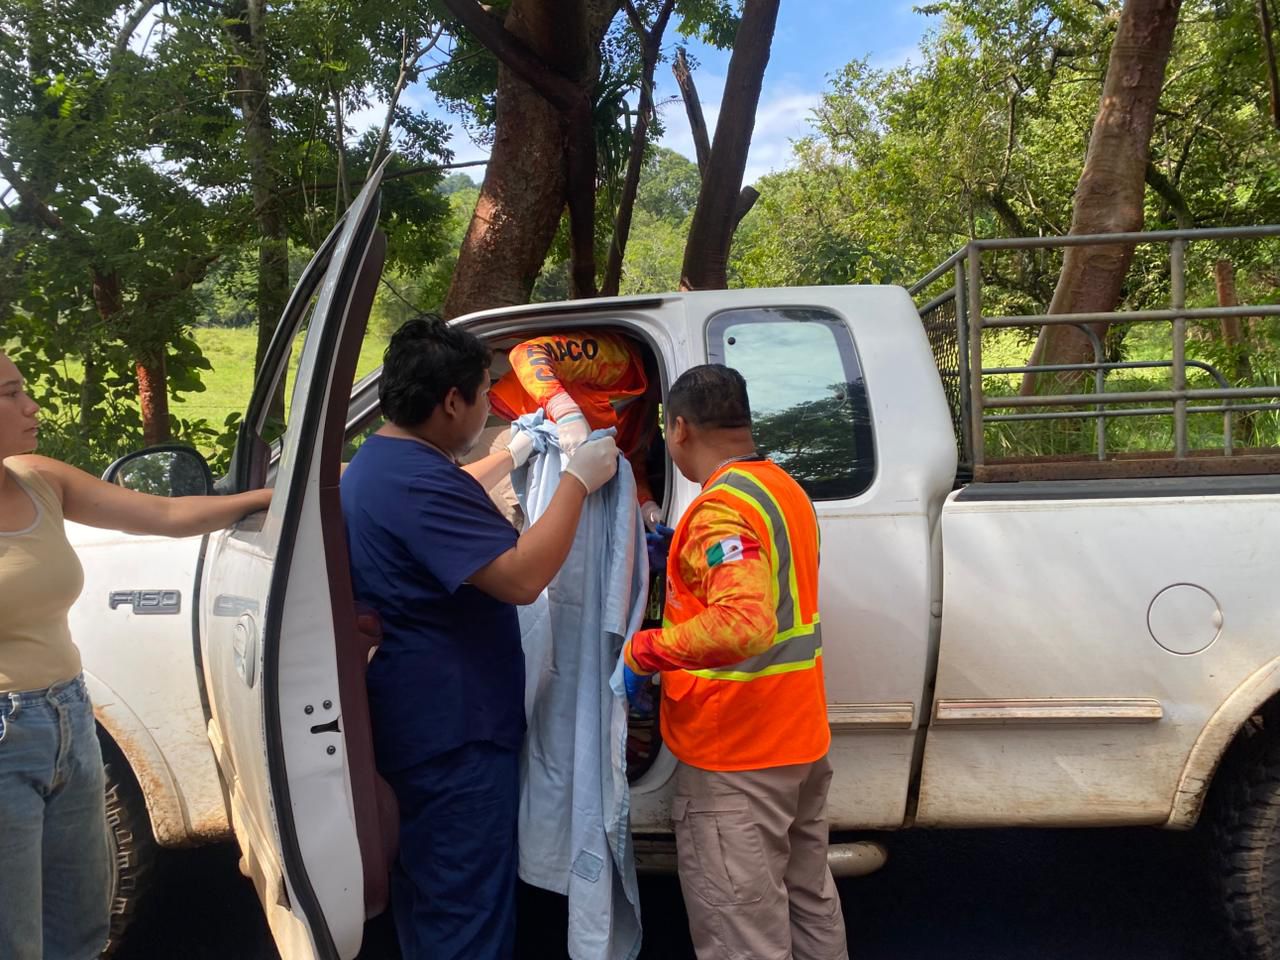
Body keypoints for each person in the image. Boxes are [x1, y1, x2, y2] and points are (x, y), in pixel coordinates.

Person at [339, 317, 619, 960]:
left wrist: (511, 455)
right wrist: (576, 481)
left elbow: (444, 498)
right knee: (464, 912)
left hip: (415, 722)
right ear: (451, 402)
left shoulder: (381, 463)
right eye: (486, 394)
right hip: (453, 739)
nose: (492, 407)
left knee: (430, 901)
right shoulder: (419, 481)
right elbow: (521, 578)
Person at [0, 350, 272, 960]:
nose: (31, 406)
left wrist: (270, 498)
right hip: (5, 732)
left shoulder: (39, 479)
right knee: (12, 939)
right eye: (10, 394)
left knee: (82, 928)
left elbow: (166, 514)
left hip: (71, 719)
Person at [621, 364, 848, 960]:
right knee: (809, 901)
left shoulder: (720, 509)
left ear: (679, 429)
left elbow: (744, 623)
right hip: (798, 740)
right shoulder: (782, 489)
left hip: (738, 753)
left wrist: (645, 651)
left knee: (743, 933)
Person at [488, 330, 663, 529]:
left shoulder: (644, 413)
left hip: (553, 456)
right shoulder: (618, 360)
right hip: (512, 427)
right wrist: (564, 410)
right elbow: (527, 352)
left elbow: (632, 464)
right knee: (528, 529)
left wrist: (647, 507)